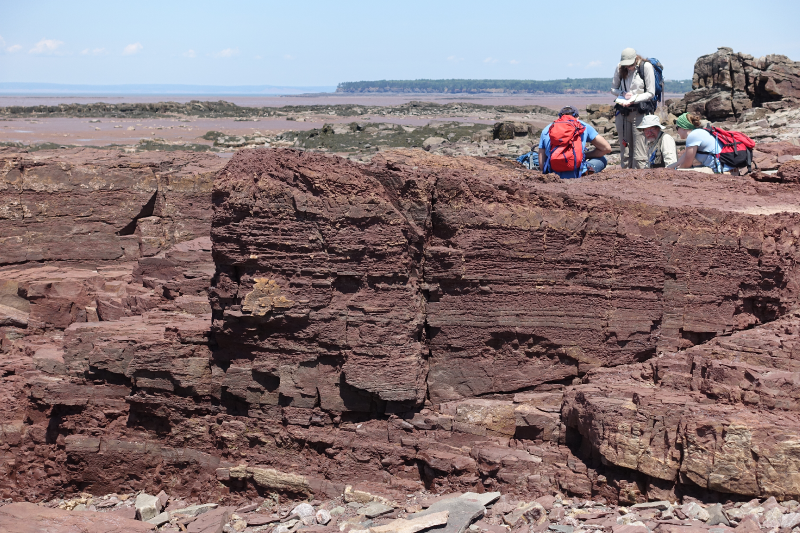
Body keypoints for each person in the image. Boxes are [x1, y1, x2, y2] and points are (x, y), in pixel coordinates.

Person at [611, 48, 656, 169]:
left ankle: (641, 181)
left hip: (640, 113)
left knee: (639, 153)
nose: (628, 67)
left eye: (630, 64)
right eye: (626, 65)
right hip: (624, 113)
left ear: (636, 59)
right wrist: (623, 94)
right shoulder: (620, 67)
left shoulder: (645, 67)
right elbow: (613, 89)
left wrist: (634, 98)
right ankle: (625, 180)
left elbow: (651, 93)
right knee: (625, 151)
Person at [538, 106, 612, 179]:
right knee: (602, 159)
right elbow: (606, 148)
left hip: (554, 174)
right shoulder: (583, 126)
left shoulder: (547, 129)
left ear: (559, 117)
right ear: (577, 117)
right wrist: (584, 155)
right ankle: (584, 174)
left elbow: (541, 164)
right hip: (577, 173)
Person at [667, 113, 731, 174]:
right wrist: (667, 168)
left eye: (677, 128)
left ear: (683, 127)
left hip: (721, 170)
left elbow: (687, 164)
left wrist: (677, 169)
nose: (677, 131)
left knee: (680, 172)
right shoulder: (698, 133)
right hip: (726, 167)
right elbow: (680, 161)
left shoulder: (692, 136)